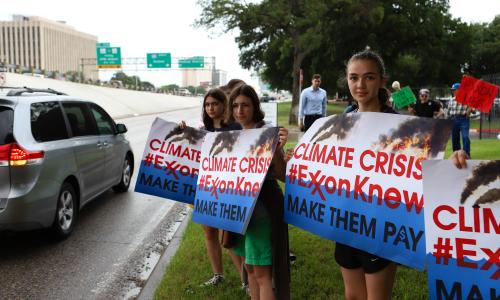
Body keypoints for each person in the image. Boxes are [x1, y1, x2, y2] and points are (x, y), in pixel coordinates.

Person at [337, 50, 398, 300]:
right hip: (344, 219)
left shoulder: (399, 125)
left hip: (380, 222)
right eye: (354, 77)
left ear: (382, 80)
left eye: (369, 77)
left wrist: (454, 162)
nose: (360, 85)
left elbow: (420, 170)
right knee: (353, 295)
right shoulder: (342, 122)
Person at [229, 84, 290, 300]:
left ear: (255, 106)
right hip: (240, 212)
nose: (239, 110)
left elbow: (283, 176)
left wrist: (279, 150)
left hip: (262, 210)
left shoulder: (267, 134)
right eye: (235, 105)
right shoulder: (235, 135)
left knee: (263, 274)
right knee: (251, 270)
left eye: (245, 105)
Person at [179, 88, 242, 287]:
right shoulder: (201, 129)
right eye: (207, 105)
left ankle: (245, 280)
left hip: (226, 189)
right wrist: (183, 131)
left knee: (228, 236)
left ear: (224, 104)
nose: (210, 108)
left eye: (214, 103)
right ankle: (218, 275)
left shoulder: (234, 128)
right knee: (209, 233)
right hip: (204, 188)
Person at [448, 83, 473, 157]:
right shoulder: (451, 100)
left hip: (464, 119)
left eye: (454, 90)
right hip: (454, 119)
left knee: (465, 137)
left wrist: (471, 109)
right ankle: (456, 154)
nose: (453, 91)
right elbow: (449, 111)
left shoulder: (467, 99)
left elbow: (473, 109)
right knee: (455, 138)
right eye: (453, 90)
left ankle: (466, 154)